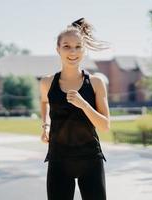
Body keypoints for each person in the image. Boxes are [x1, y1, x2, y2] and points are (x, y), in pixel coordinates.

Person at [40, 18, 110, 200]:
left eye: (78, 46)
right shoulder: (47, 82)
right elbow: (44, 102)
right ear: (58, 49)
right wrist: (45, 125)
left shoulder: (95, 83)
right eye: (67, 46)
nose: (73, 52)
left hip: (90, 160)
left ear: (84, 49)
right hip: (59, 159)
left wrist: (84, 105)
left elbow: (105, 126)